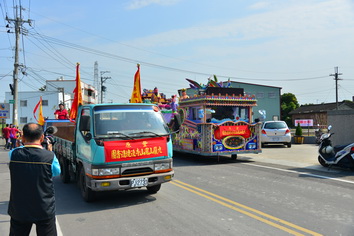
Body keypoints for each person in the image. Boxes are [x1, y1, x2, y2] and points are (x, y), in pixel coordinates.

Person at [8, 123, 61, 236]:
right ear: (42, 137)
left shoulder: (13, 154)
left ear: (22, 138)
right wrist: (49, 151)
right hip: (44, 208)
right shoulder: (49, 156)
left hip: (19, 208)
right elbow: (56, 172)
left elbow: (20, 151)